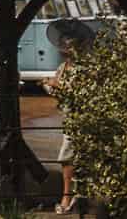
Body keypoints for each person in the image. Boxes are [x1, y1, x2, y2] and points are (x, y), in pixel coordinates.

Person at [46, 39, 80, 214]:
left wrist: (58, 86)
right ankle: (75, 195)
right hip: (67, 118)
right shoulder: (63, 66)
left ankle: (66, 197)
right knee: (73, 157)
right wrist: (50, 86)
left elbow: (79, 91)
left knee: (66, 156)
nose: (63, 48)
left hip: (78, 117)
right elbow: (57, 90)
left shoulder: (81, 68)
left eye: (68, 45)